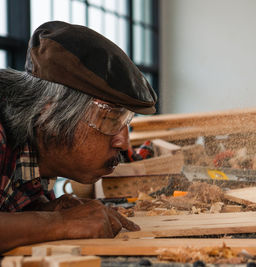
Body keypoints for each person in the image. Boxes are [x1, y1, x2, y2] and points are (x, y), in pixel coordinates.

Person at [0, 21, 157, 253]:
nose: (123, 142)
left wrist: (45, 210)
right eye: (109, 119)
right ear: (49, 112)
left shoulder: (40, 155)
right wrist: (61, 224)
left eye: (125, 122)